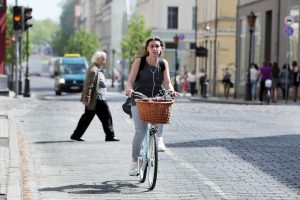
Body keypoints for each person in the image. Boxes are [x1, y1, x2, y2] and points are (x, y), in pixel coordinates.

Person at [125, 37, 178, 176]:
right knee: (140, 131)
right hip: (139, 100)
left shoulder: (163, 63)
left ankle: (159, 138)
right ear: (147, 49)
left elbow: (167, 83)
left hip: (156, 99)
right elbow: (130, 80)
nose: (155, 48)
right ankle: (134, 162)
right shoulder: (140, 62)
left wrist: (171, 90)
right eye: (152, 46)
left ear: (161, 49)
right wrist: (130, 90)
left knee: (162, 110)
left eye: (157, 46)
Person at [70, 51, 120, 142]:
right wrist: (87, 98)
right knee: (106, 116)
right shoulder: (93, 69)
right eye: (103, 59)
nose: (105, 62)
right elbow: (88, 85)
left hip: (96, 99)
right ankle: (110, 135)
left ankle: (76, 134)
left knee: (87, 117)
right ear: (98, 59)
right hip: (97, 99)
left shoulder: (97, 68)